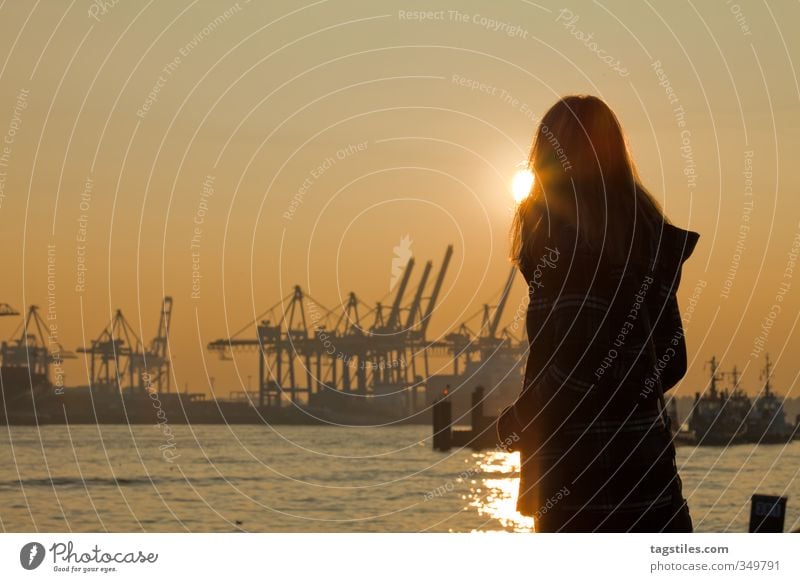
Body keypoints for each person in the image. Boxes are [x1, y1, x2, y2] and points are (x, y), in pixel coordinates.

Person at [498, 95, 698, 532]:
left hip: (579, 486)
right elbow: (673, 359)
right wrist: (625, 394)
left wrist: (517, 423)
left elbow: (573, 367)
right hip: (650, 480)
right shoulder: (646, 240)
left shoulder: (567, 247)